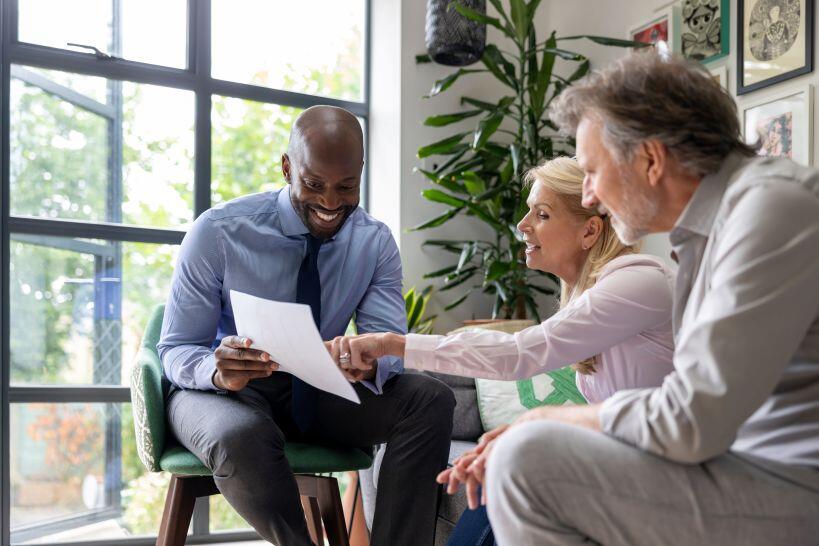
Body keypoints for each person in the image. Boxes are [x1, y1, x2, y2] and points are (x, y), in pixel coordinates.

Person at [469, 51, 818, 544]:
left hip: (794, 484)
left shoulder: (769, 209)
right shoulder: (711, 230)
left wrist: (549, 417)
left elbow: (692, 421)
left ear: (650, 159)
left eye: (592, 171)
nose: (589, 195)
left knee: (527, 460)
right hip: (751, 466)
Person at [328, 156, 676, 545]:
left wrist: (394, 344)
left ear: (590, 231)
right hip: (628, 453)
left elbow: (519, 354)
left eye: (541, 214)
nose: (523, 226)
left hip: (663, 466)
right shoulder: (595, 291)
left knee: (513, 471)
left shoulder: (636, 283)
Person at [157, 105, 455, 546]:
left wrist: (369, 364)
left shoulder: (373, 243)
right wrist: (217, 371)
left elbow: (387, 345)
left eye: (346, 186)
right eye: (314, 185)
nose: (331, 203)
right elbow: (176, 348)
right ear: (286, 167)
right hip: (222, 394)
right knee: (242, 436)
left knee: (429, 399)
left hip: (317, 388)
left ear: (361, 174)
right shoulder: (219, 232)